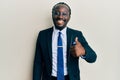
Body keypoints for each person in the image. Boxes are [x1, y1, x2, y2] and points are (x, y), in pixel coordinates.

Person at [33, 2, 97, 80]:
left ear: (69, 17)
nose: (60, 16)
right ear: (52, 15)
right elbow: (38, 63)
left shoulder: (76, 35)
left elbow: (93, 57)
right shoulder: (43, 35)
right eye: (56, 13)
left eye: (64, 14)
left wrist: (83, 52)